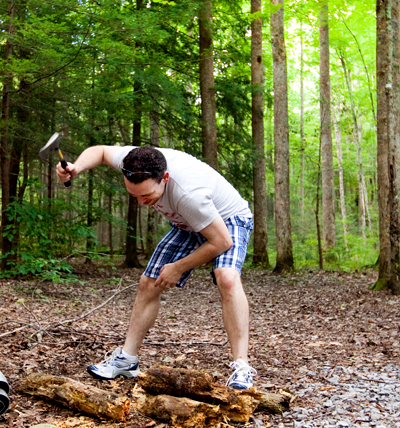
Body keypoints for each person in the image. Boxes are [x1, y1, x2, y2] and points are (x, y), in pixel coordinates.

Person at [56, 145, 256, 389]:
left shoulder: (189, 194)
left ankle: (242, 367)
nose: (141, 202)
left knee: (226, 277)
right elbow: (100, 151)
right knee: (148, 283)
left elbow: (222, 241)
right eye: (134, 196)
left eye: (147, 196)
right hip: (187, 223)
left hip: (228, 220)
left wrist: (178, 267)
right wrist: (76, 168)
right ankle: (127, 360)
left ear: (166, 178)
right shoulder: (134, 163)